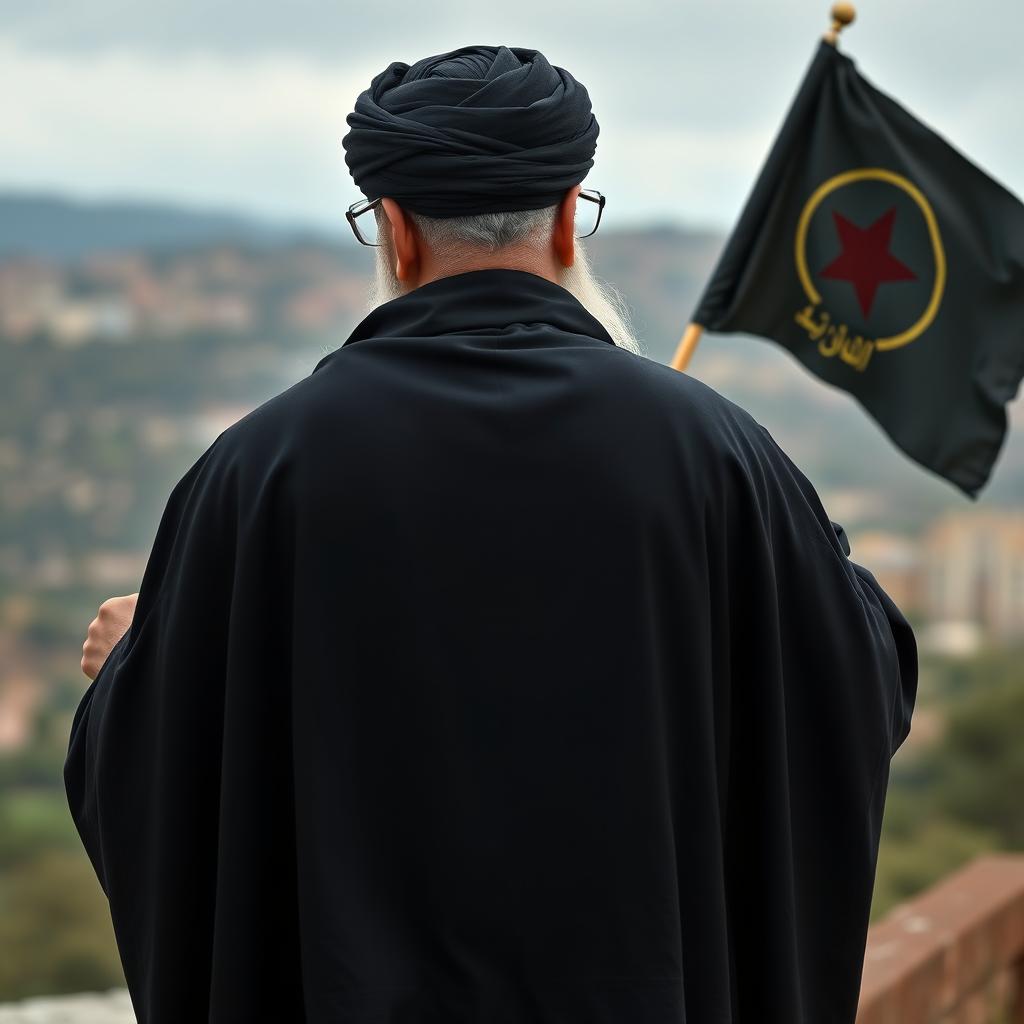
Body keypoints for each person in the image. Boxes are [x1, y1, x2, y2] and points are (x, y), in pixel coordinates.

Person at [66, 44, 917, 1024]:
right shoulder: (715, 450)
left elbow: (165, 780)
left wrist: (138, 668)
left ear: (392, 229)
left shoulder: (259, 468)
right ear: (567, 217)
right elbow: (853, 677)